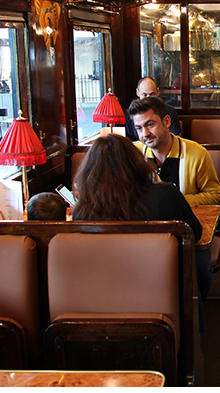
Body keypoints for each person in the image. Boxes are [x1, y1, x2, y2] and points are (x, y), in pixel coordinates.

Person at [71, 133, 211, 330]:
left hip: (104, 296)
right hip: (164, 290)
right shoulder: (164, 194)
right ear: (135, 163)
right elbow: (194, 234)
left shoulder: (82, 212)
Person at [129, 95, 220, 208]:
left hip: (183, 223)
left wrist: (176, 200)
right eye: (139, 128)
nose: (145, 134)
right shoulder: (133, 154)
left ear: (167, 121)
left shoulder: (197, 154)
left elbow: (215, 196)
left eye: (150, 125)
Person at [125, 76, 181, 141]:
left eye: (152, 95)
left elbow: (176, 139)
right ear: (137, 93)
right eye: (144, 95)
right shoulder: (131, 115)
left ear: (157, 92)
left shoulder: (170, 112)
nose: (148, 99)